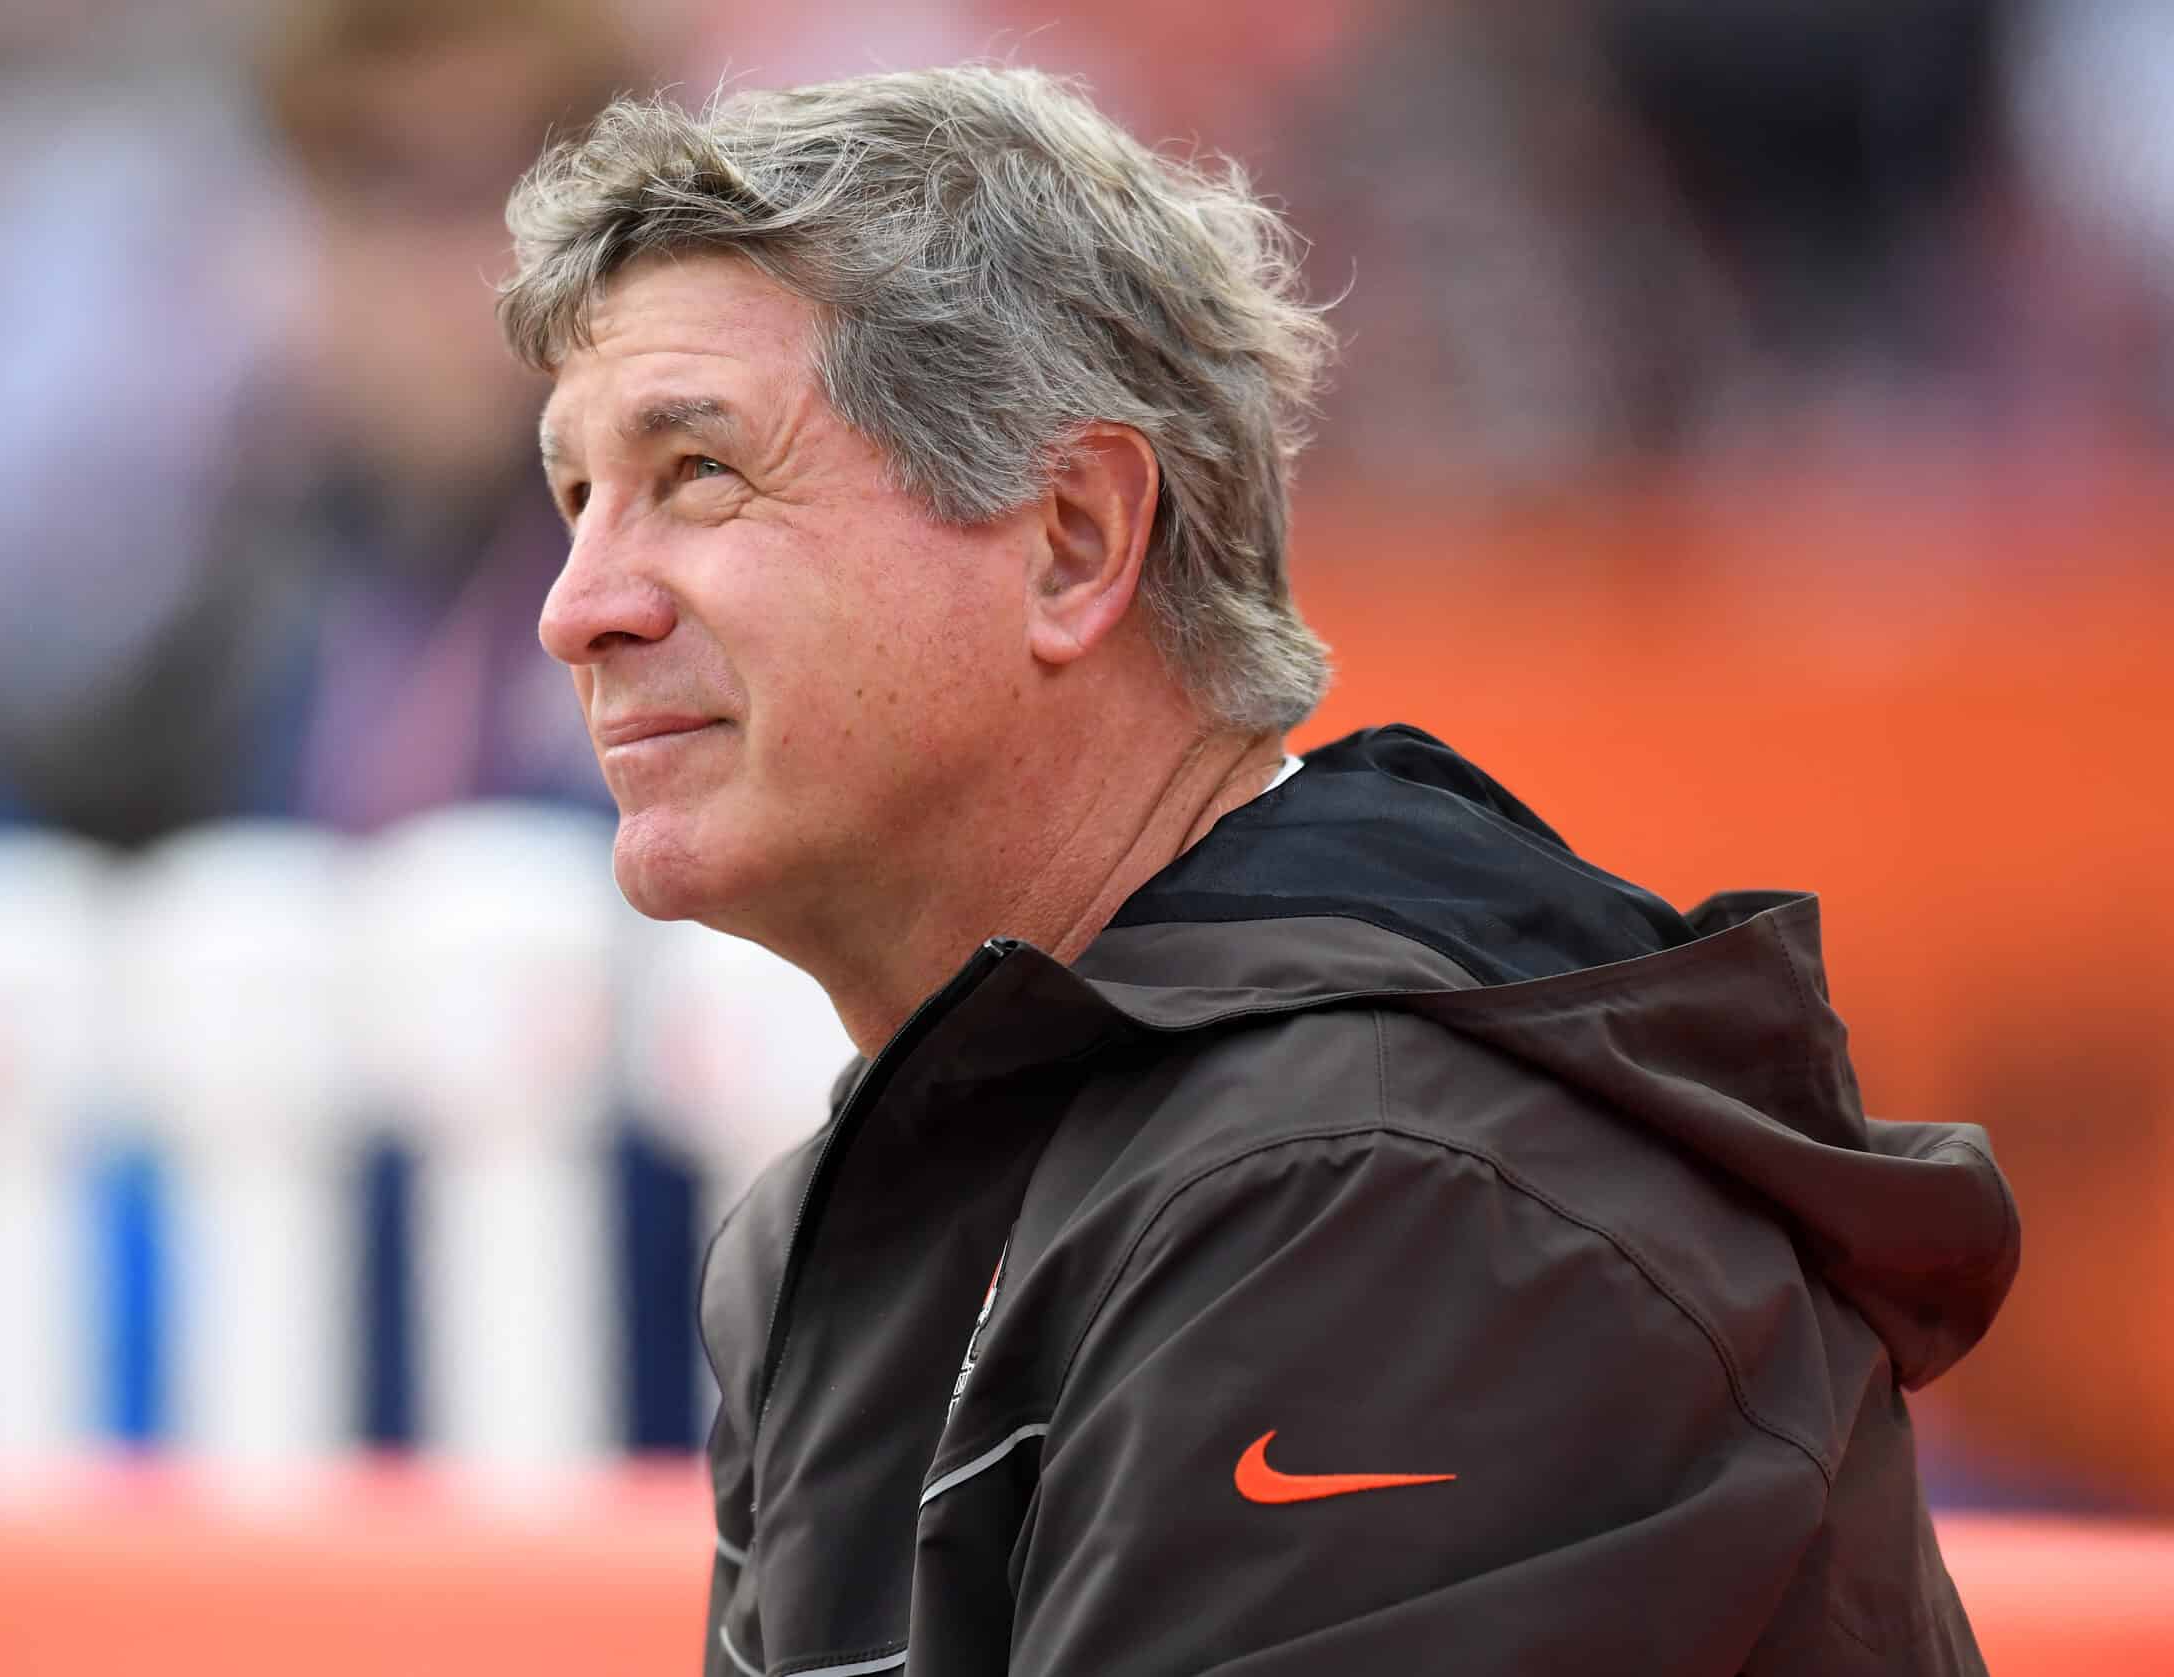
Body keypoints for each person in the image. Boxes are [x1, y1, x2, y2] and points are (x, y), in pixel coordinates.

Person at [502, 67, 2017, 1675]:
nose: (579, 607)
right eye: (577, 498)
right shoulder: (865, 1201)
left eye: (697, 474)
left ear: (1074, 539)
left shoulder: (1387, 1185)